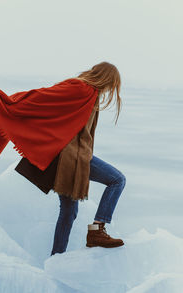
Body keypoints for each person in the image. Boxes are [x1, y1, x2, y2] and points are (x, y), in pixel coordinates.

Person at [50, 62, 126, 256]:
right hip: (72, 157)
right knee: (117, 179)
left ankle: (56, 258)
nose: (111, 89)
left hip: (69, 157)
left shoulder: (88, 93)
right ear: (106, 79)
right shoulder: (82, 88)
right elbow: (48, 97)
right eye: (112, 83)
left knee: (68, 213)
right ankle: (97, 231)